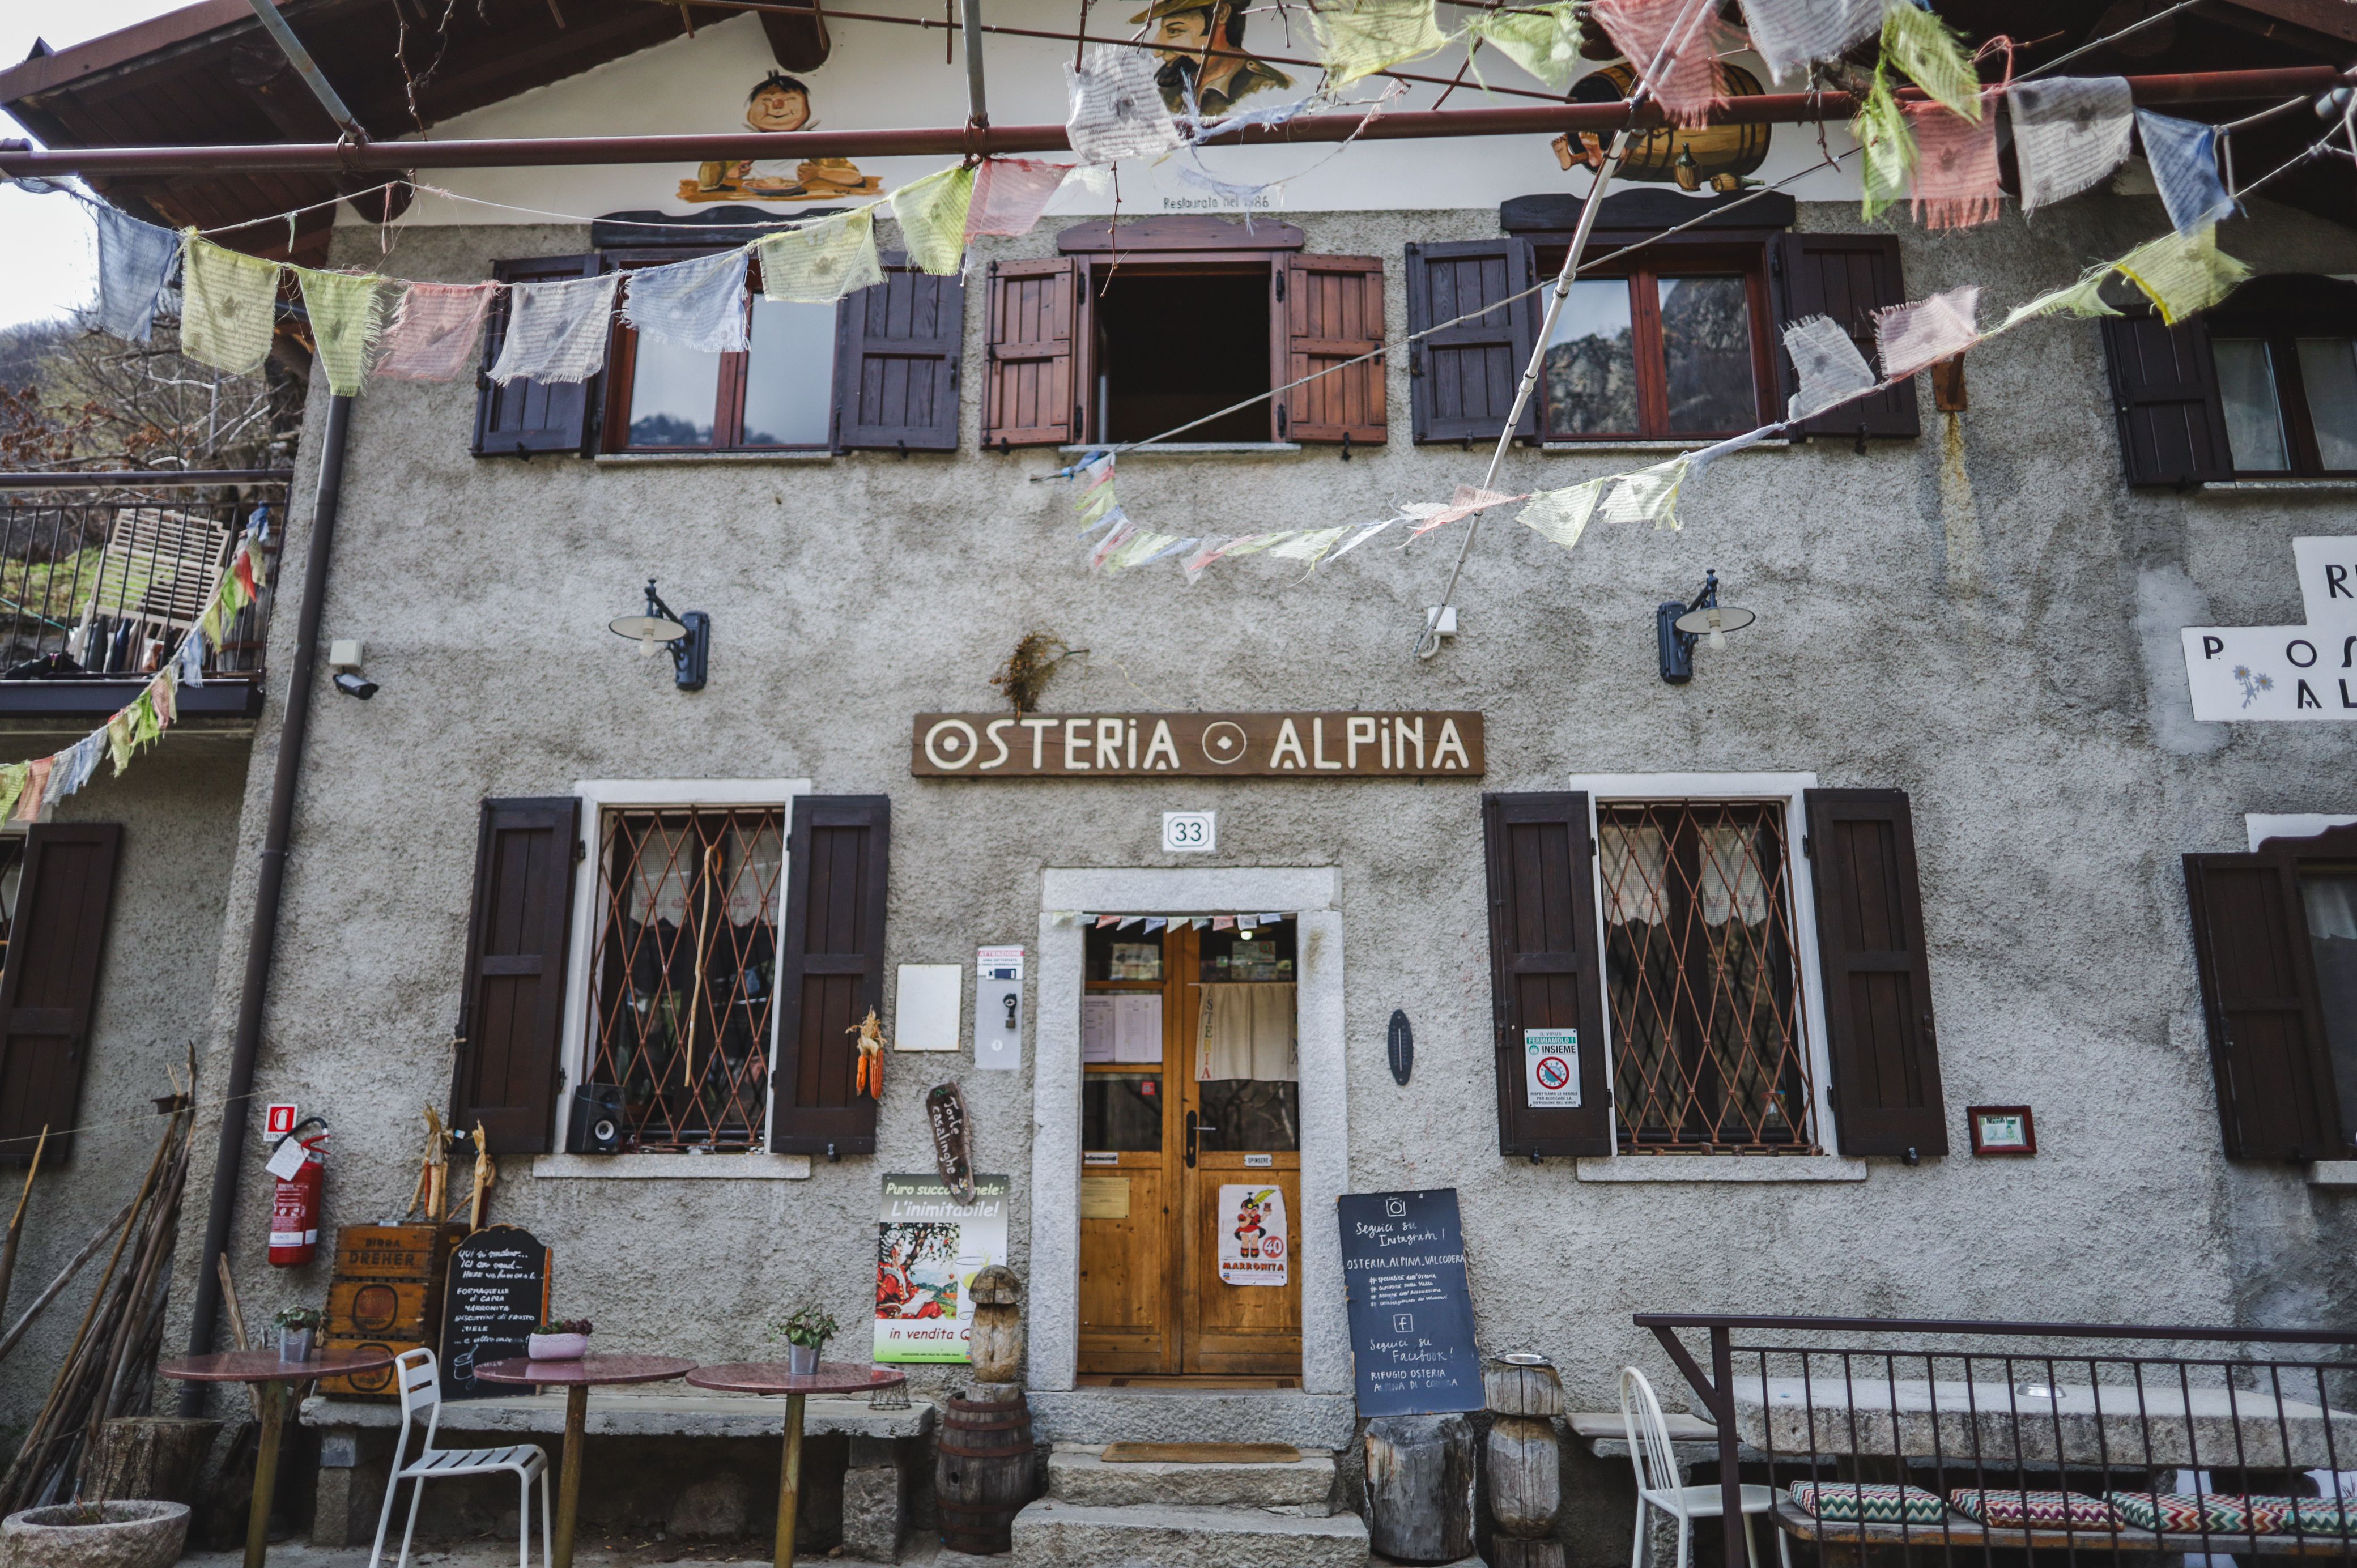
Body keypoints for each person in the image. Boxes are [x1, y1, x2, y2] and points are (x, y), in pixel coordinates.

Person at [1131, 0, 1292, 117]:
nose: (1157, 52)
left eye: (1175, 31)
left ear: (1221, 14)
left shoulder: (1266, 87)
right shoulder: (1166, 89)